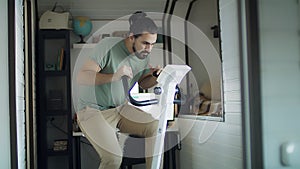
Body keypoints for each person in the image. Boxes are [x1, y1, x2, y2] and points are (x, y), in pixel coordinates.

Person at [75, 11, 162, 169]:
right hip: (92, 112)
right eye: (145, 43)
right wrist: (114, 76)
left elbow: (143, 84)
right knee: (114, 158)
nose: (149, 49)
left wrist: (155, 76)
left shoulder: (143, 56)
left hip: (119, 109)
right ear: (131, 37)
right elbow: (82, 77)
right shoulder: (108, 46)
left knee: (154, 126)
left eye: (153, 44)